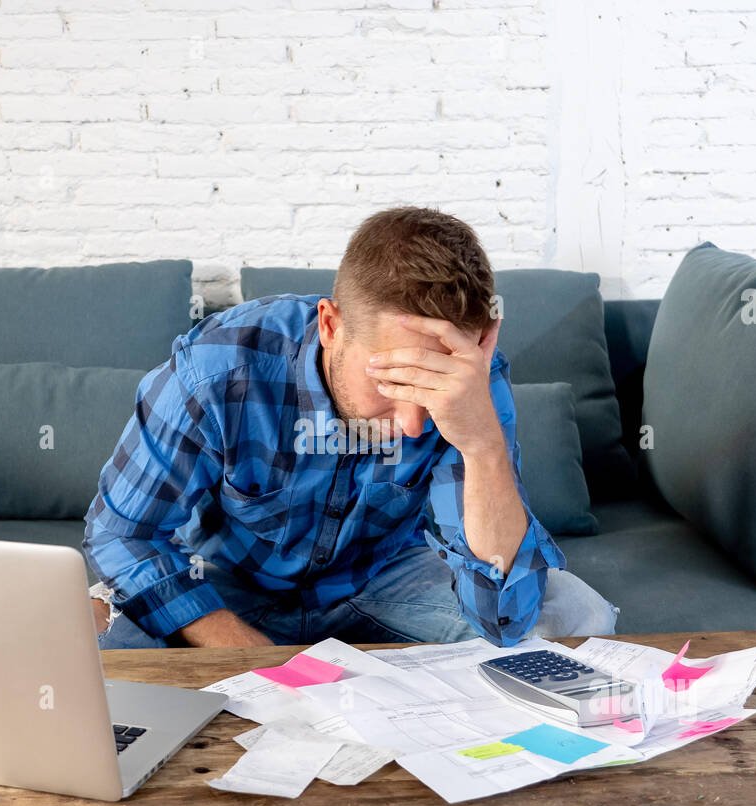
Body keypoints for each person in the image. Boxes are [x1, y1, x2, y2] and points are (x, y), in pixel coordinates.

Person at [84, 206, 618, 648]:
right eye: (392, 381)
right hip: (225, 585)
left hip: (379, 580)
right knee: (88, 634)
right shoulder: (217, 368)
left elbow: (504, 615)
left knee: (573, 614)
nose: (412, 425)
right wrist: (245, 654)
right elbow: (121, 533)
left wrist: (481, 446)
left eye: (429, 391)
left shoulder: (470, 383)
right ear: (331, 325)